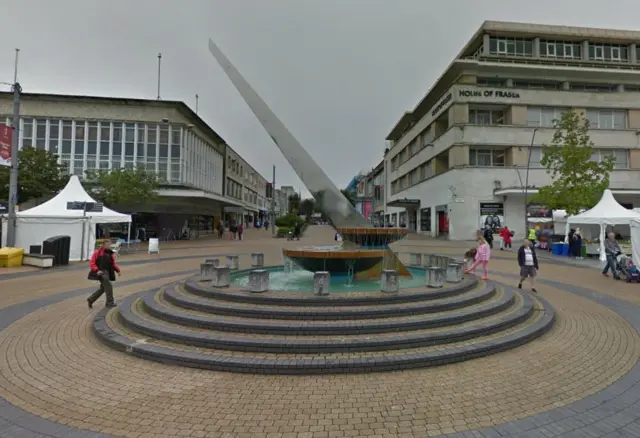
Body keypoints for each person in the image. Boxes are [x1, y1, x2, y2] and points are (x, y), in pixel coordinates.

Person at [87, 239, 121, 309]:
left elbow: (113, 264)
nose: (109, 246)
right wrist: (97, 270)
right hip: (101, 273)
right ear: (103, 245)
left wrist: (118, 270)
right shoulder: (97, 252)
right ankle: (109, 302)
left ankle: (91, 299)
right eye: (107, 244)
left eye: (109, 244)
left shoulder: (110, 253)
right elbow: (92, 263)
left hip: (107, 273)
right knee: (109, 286)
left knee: (103, 288)